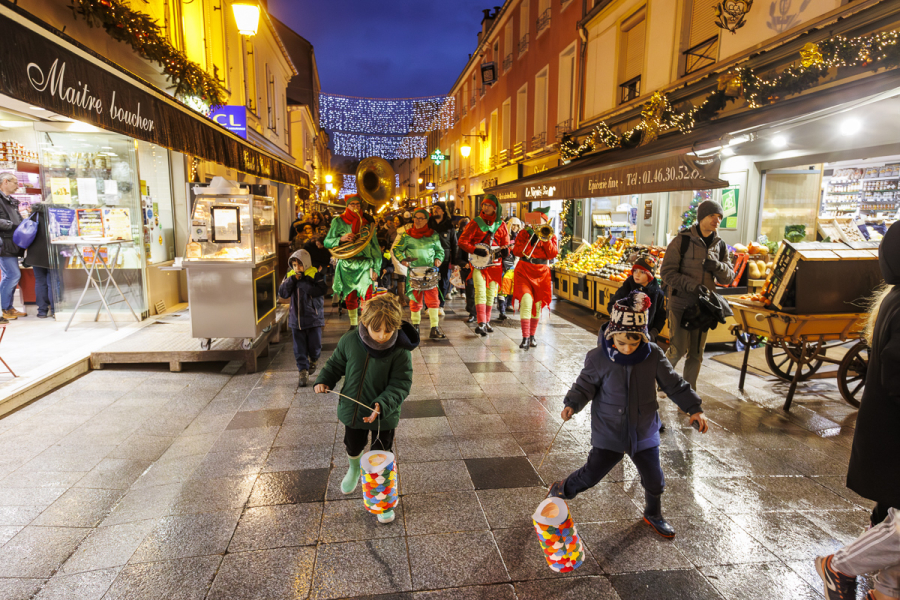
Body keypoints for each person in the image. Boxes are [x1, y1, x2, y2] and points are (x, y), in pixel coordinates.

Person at [548, 290, 709, 539]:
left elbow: (674, 384)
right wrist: (573, 403)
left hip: (644, 429)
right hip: (609, 430)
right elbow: (584, 385)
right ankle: (562, 488)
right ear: (612, 334)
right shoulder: (598, 357)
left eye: (634, 343)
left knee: (655, 479)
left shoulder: (653, 355)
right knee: (591, 475)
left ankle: (653, 513)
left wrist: (694, 408)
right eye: (621, 342)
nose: (627, 348)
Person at [813, 221, 900, 600]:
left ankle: (886, 589)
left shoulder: (893, 299)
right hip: (893, 433)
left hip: (886, 431)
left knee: (895, 517)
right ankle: (839, 566)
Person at [314, 293, 419, 524]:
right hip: (354, 410)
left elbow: (401, 383)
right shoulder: (350, 340)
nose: (382, 336)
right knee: (353, 444)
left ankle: (382, 501)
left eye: (389, 330)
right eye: (376, 329)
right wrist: (324, 380)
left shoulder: (400, 351)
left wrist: (382, 404)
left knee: (381, 454)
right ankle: (354, 469)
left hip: (384, 414)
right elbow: (335, 364)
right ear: (365, 322)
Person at [659, 200, 734, 391]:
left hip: (704, 307)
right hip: (681, 305)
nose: (716, 220)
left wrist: (718, 266)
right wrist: (692, 285)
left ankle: (688, 393)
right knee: (677, 351)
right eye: (712, 216)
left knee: (696, 353)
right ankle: (661, 383)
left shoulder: (721, 245)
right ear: (701, 217)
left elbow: (728, 277)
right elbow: (667, 273)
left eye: (719, 217)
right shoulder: (682, 241)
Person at [324, 195, 381, 329]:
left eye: (358, 204)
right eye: (352, 204)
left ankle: (366, 324)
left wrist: (377, 269)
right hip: (346, 264)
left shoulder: (368, 223)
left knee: (367, 296)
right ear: (347, 205)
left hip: (365, 264)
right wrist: (341, 239)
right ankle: (353, 325)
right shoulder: (338, 221)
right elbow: (327, 242)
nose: (355, 207)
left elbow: (375, 249)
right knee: (350, 297)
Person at [458, 195, 511, 336]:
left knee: (490, 295)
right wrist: (475, 250)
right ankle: (481, 323)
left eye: (488, 205)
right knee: (480, 292)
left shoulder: (502, 225)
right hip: (479, 265)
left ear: (495, 208)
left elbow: (506, 247)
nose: (485, 207)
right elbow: (462, 241)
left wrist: (505, 251)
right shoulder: (475, 222)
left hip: (495, 265)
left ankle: (486, 322)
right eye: (484, 205)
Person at [278, 249, 327, 388]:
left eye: (299, 265)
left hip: (313, 318)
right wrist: (293, 280)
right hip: (296, 320)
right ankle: (302, 370)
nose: (297, 268)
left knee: (314, 345)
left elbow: (320, 290)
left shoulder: (314, 275)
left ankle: (314, 359)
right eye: (294, 265)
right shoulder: (291, 276)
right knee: (299, 348)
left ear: (306, 264)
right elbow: (282, 293)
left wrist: (302, 283)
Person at [394, 208, 446, 339]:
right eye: (415, 217)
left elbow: (440, 250)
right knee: (415, 300)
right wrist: (402, 259)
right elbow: (397, 249)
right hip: (414, 272)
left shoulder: (433, 234)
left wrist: (438, 259)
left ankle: (434, 328)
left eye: (420, 218)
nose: (417, 220)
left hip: (430, 272)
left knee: (433, 300)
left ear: (426, 220)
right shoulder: (406, 235)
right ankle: (415, 328)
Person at [512, 208, 558, 349]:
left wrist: (545, 239)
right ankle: (525, 337)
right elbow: (516, 251)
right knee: (526, 301)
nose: (538, 223)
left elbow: (552, 254)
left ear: (546, 221)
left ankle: (532, 336)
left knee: (536, 305)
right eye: (536, 220)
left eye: (541, 220)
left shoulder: (550, 234)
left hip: (541, 273)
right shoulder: (524, 233)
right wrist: (530, 240)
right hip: (524, 270)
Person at [605, 256, 666, 342]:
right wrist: (618, 322)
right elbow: (612, 305)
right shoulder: (627, 287)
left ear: (650, 275)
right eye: (635, 271)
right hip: (624, 335)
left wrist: (652, 334)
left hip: (646, 338)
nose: (637, 274)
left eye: (642, 272)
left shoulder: (657, 293)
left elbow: (661, 317)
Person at [23, 202, 55, 318]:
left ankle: (42, 311)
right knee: (52, 281)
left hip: (35, 254)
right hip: (52, 252)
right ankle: (56, 310)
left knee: (40, 282)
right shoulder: (55, 213)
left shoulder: (34, 214)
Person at [0, 173, 24, 322]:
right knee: (12, 275)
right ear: (5, 182)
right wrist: (13, 226)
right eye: (15, 183)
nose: (17, 186)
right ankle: (5, 308)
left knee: (10, 275)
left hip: (12, 243)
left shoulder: (10, 201)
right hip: (4, 243)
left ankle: (8, 307)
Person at [428, 201, 457, 316]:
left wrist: (454, 261)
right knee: (429, 282)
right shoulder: (428, 225)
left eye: (438, 208)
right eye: (434, 208)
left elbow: (454, 245)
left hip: (445, 260)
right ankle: (429, 305)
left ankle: (440, 305)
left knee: (443, 282)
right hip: (429, 258)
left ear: (443, 211)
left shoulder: (449, 227)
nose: (435, 210)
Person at [498, 217, 523, 322]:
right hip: (503, 264)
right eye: (513, 225)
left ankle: (507, 305)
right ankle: (502, 311)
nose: (515, 227)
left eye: (517, 226)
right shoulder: (504, 235)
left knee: (510, 286)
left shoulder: (520, 237)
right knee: (503, 288)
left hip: (514, 264)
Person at [455, 217, 476, 323]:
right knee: (471, 292)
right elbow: (458, 258)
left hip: (480, 270)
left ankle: (479, 313)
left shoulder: (481, 242)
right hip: (468, 272)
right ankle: (472, 313)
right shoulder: (464, 244)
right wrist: (465, 264)